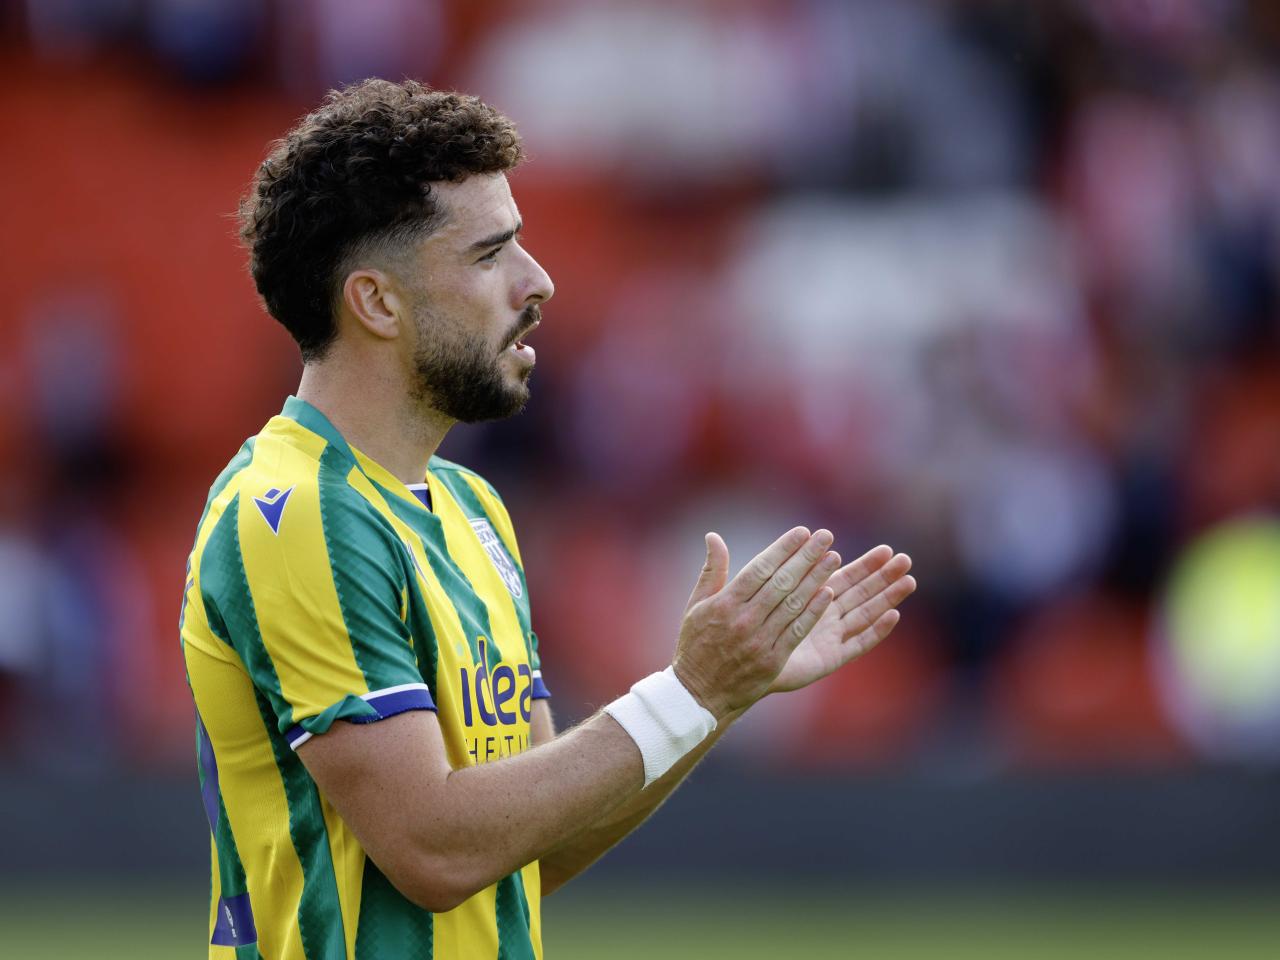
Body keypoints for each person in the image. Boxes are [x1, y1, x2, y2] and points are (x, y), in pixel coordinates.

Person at [180, 78, 916, 959]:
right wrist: (690, 690)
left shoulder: (470, 507)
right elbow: (433, 848)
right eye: (491, 255)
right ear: (376, 303)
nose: (539, 282)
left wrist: (721, 695)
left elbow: (526, 850)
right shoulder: (298, 514)